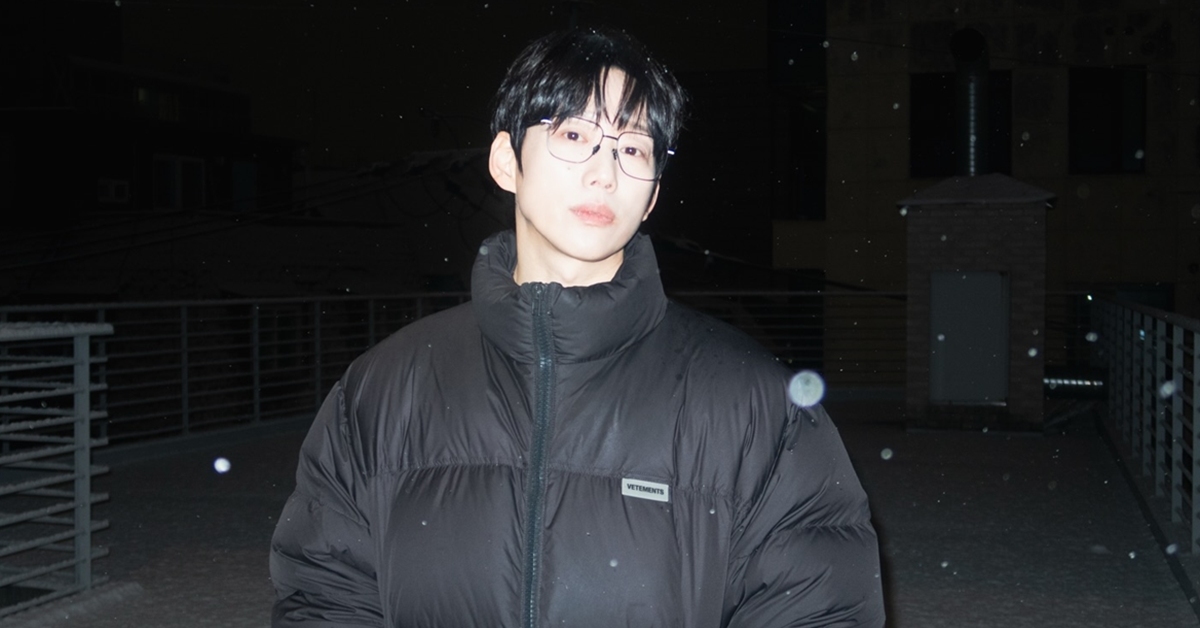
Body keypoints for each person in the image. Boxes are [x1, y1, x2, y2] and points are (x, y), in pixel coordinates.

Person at [270, 27, 885, 627]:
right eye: (574, 134)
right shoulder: (382, 391)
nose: (605, 173)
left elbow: (818, 609)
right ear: (506, 161)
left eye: (633, 149)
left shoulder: (755, 405)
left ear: (652, 195)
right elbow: (325, 598)